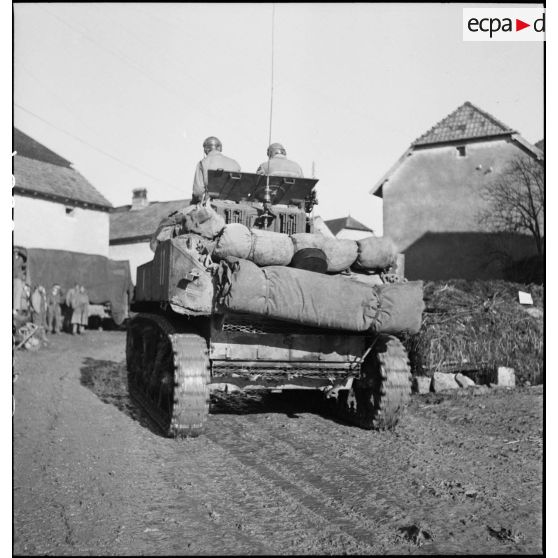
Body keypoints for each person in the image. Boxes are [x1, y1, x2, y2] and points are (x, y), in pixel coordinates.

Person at [191, 136, 241, 204]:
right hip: (233, 204)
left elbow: (198, 192)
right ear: (220, 148)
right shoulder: (235, 163)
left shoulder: (203, 163)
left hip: (211, 205)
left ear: (206, 149)